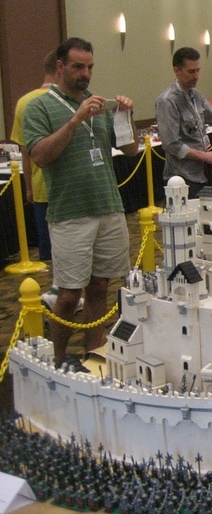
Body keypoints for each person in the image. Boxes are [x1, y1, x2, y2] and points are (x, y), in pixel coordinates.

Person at [23, 37, 139, 371]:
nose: (85, 73)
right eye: (78, 66)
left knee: (100, 286)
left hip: (108, 206)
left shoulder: (98, 106)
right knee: (69, 294)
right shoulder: (39, 107)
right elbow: (40, 156)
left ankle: (92, 354)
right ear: (60, 66)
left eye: (89, 67)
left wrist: (126, 117)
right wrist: (75, 120)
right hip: (70, 213)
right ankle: (59, 360)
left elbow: (131, 150)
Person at [156, 47, 212, 198]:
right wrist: (204, 156)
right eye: (191, 72)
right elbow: (172, 144)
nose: (196, 76)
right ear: (177, 70)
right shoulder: (167, 101)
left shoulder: (196, 95)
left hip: (204, 174)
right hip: (182, 178)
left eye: (198, 71)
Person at [10, 50, 58, 261]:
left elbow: (25, 151)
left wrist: (28, 187)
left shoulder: (24, 102)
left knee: (48, 253)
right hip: (67, 189)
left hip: (41, 188)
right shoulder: (70, 101)